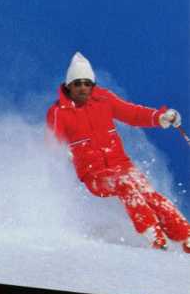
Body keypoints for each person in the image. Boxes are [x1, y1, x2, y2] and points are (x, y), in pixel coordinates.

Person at [47, 51, 189, 252]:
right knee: (125, 185)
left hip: (122, 165)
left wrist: (159, 117)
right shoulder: (58, 112)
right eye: (77, 83)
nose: (83, 88)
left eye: (87, 83)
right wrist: (64, 154)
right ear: (69, 85)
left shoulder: (104, 99)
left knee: (146, 191)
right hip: (95, 175)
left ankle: (185, 236)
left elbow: (132, 113)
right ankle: (154, 237)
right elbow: (52, 144)